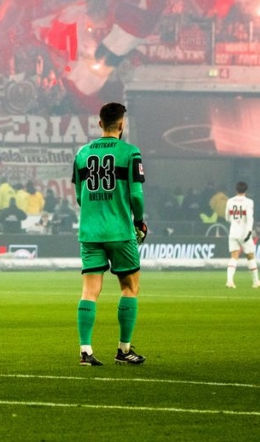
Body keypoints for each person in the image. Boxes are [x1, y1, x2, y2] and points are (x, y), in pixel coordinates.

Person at [72, 102, 147, 367]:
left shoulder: (82, 153)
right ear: (122, 124)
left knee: (89, 291)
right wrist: (139, 222)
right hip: (119, 231)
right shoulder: (130, 152)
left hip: (90, 232)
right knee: (130, 287)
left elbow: (80, 195)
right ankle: (123, 350)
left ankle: (85, 351)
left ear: (100, 123)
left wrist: (94, 212)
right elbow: (136, 195)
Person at [225, 181, 260, 289]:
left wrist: (234, 222)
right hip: (244, 233)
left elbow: (227, 217)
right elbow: (249, 218)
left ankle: (229, 281)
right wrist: (249, 231)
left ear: (235, 189)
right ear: (246, 190)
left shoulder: (229, 201)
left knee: (234, 257)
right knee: (250, 257)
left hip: (233, 232)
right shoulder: (249, 202)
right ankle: (256, 282)